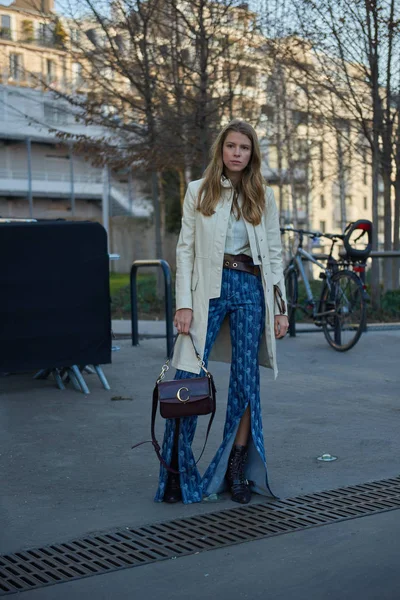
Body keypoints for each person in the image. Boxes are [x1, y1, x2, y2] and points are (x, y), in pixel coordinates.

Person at [154, 119, 288, 505]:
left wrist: (279, 308)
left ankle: (237, 467)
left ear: (252, 154)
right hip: (207, 292)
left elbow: (275, 254)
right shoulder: (198, 191)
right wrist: (182, 304)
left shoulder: (263, 195)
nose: (236, 153)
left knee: (247, 381)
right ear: (221, 149)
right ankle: (177, 472)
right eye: (231, 146)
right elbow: (184, 249)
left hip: (250, 288)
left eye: (244, 148)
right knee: (187, 376)